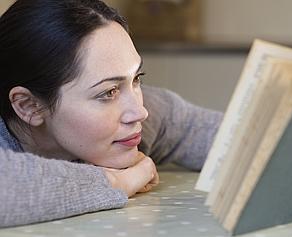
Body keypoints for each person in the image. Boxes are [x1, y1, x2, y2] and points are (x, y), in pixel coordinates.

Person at [0, 0, 223, 228]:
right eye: (109, 92)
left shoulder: (143, 116)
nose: (140, 112)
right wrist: (120, 181)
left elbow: (245, 141)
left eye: (136, 78)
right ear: (29, 106)